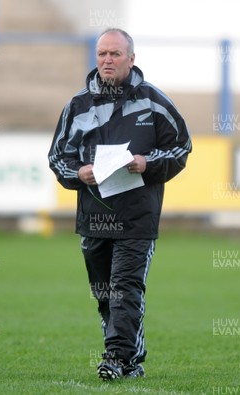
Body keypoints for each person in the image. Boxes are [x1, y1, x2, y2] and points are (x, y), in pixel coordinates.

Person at [48, 28, 191, 381]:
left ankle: (115, 357)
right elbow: (57, 157)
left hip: (137, 218)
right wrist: (79, 172)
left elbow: (181, 148)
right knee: (104, 295)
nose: (107, 60)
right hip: (94, 218)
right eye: (102, 54)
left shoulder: (155, 102)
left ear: (131, 58)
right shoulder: (77, 105)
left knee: (125, 289)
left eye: (114, 54)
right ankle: (132, 357)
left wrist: (147, 163)